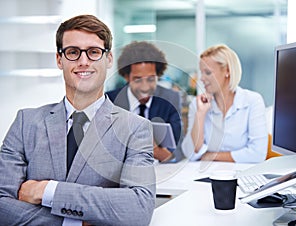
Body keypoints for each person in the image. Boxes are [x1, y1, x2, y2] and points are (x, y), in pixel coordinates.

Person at [0, 15, 155, 226]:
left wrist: (47, 190)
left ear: (108, 59)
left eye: (93, 52)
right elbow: (2, 205)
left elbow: (138, 209)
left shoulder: (135, 129)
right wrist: (74, 223)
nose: (83, 61)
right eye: (73, 52)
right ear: (59, 59)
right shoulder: (25, 122)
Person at [181, 44, 268, 163]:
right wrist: (200, 115)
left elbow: (257, 154)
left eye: (208, 72)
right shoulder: (198, 105)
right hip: (206, 175)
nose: (201, 78)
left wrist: (210, 156)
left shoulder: (252, 101)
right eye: (201, 73)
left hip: (242, 175)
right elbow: (189, 152)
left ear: (227, 71)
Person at [106, 41, 182, 163]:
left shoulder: (170, 99)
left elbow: (177, 153)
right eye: (138, 79)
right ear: (126, 76)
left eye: (151, 79)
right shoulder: (110, 101)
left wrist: (154, 150)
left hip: (160, 171)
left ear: (158, 75)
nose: (145, 87)